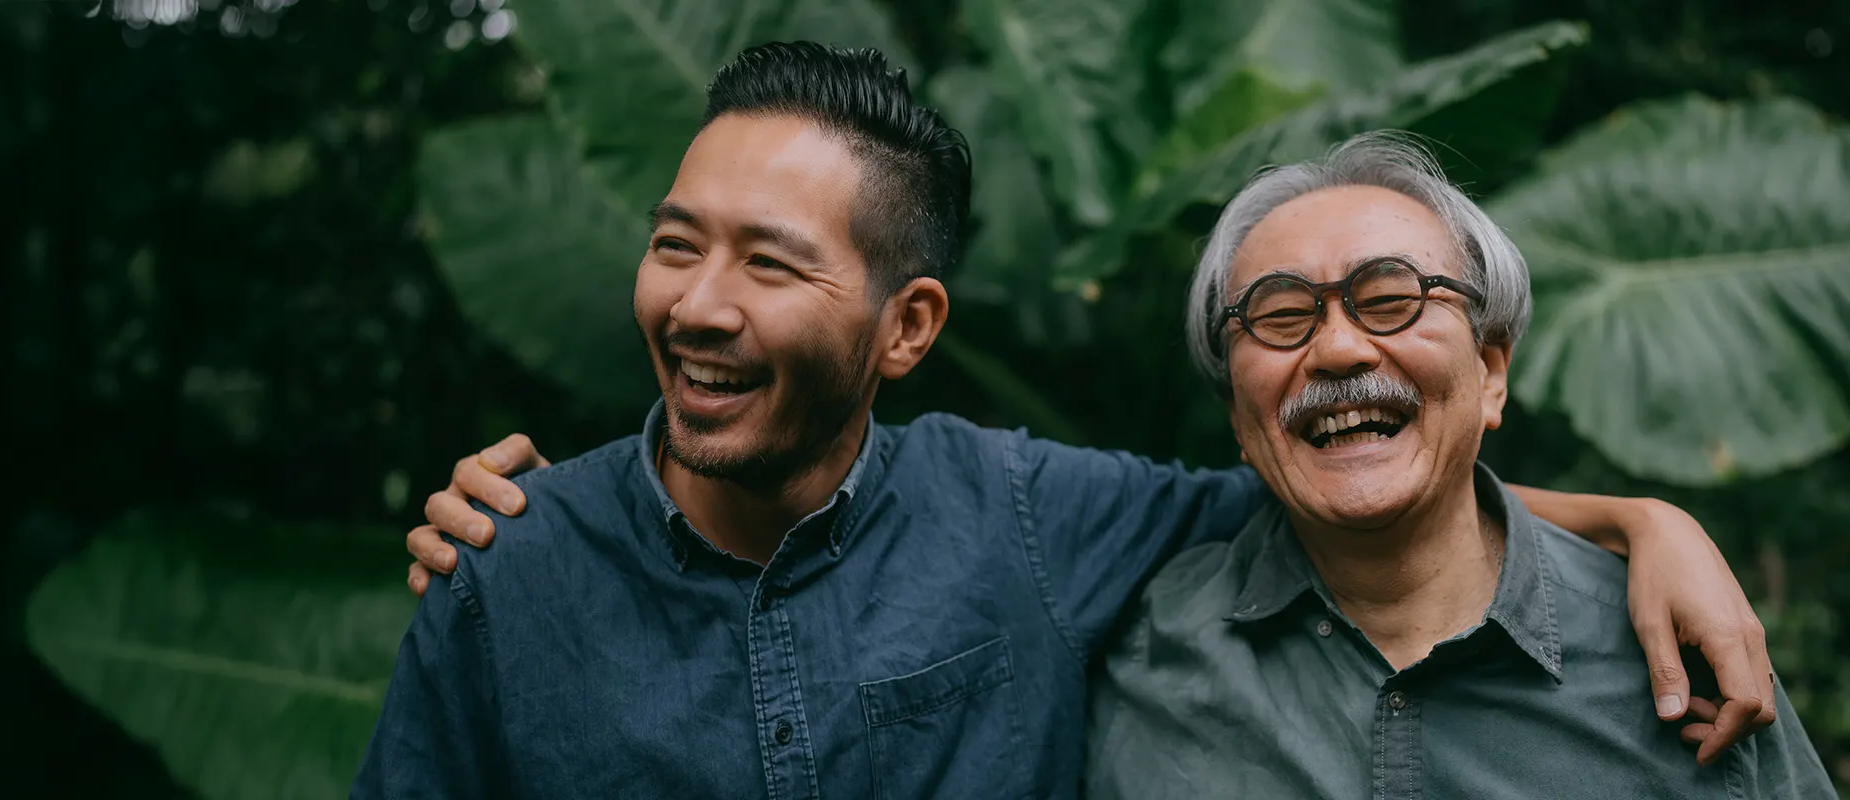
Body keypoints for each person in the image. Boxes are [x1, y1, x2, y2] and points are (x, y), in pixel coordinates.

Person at [362, 42, 1776, 799]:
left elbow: (1347, 478)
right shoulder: (505, 574)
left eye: (774, 264)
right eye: (678, 245)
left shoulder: (1031, 518)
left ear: (907, 327)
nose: (701, 304)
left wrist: (1651, 522)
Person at [1084, 133, 1833, 799]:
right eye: (1280, 316)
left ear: (1492, 373)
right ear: (1239, 420)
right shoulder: (1137, 646)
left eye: (1391, 299)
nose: (1339, 349)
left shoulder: (1678, 653)